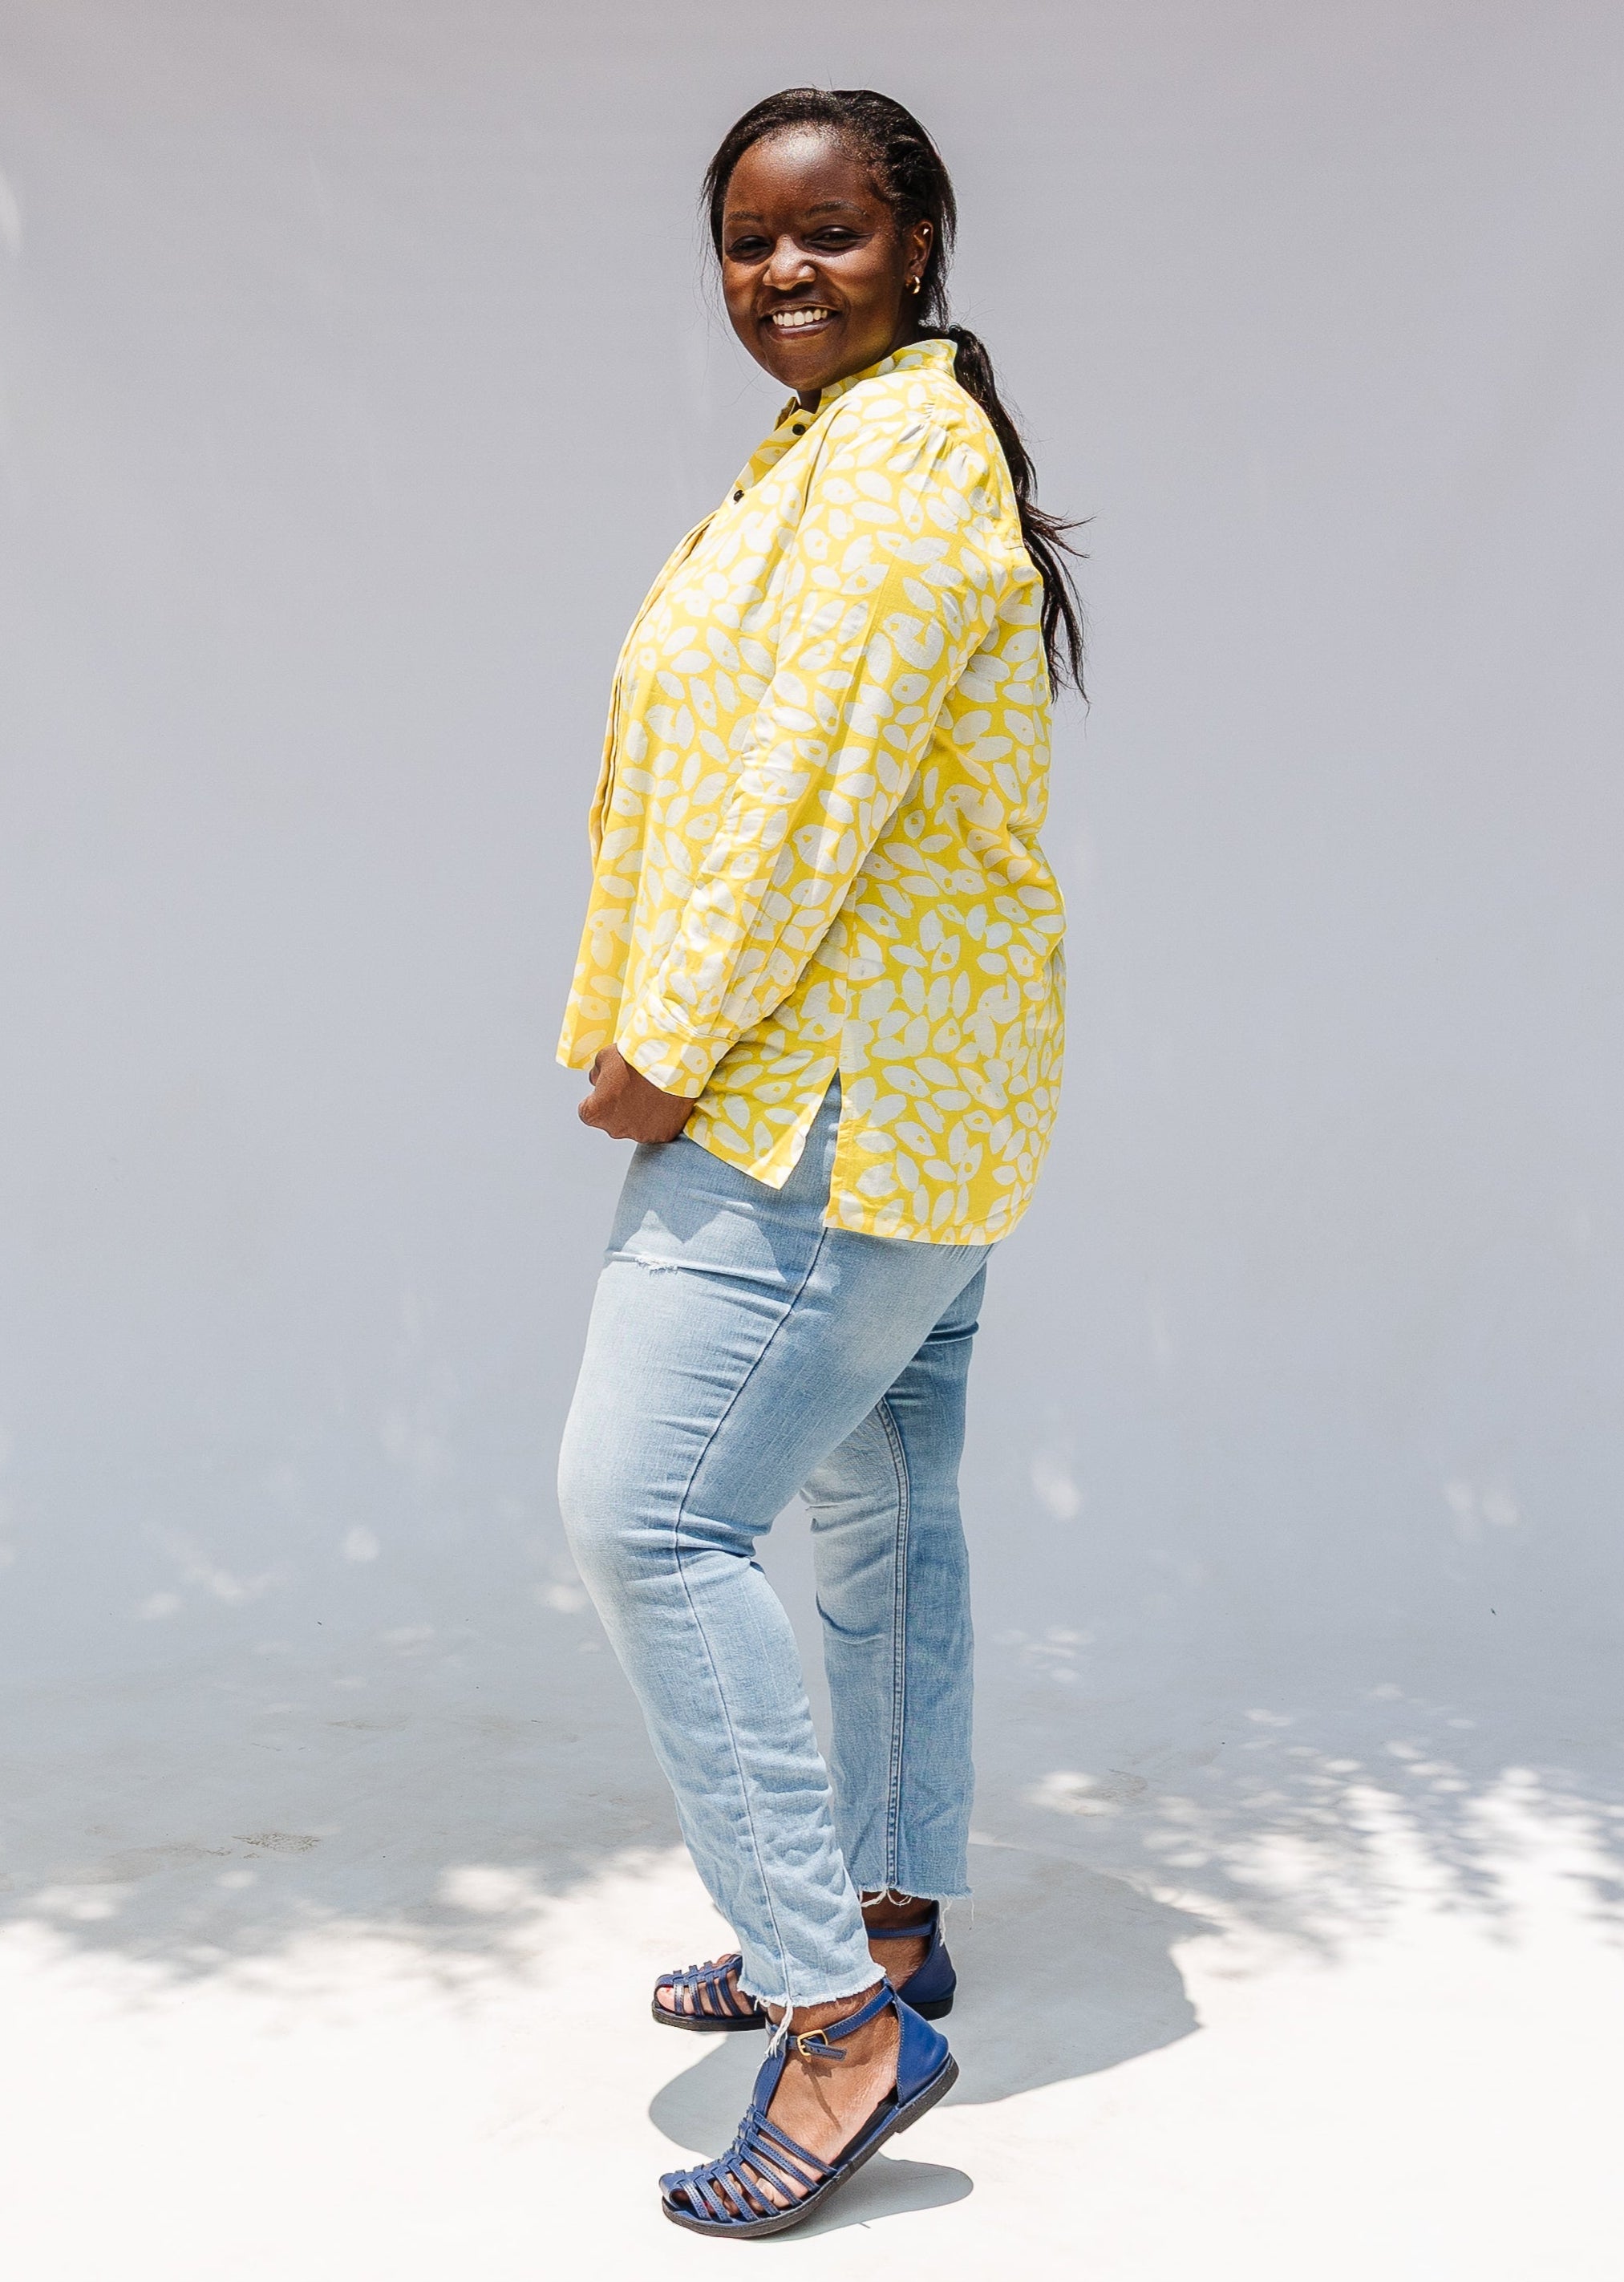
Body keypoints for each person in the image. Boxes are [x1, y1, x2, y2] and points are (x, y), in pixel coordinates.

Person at [556, 86, 1082, 2238]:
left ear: (918, 240)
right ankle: (880, 1912)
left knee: (644, 1514)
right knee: (878, 1508)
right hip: (929, 1095)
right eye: (749, 239)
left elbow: (802, 792)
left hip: (823, 1096)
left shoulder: (887, 472)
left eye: (830, 231)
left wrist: (666, 1041)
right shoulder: (853, 446)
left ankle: (838, 2017)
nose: (783, 270)